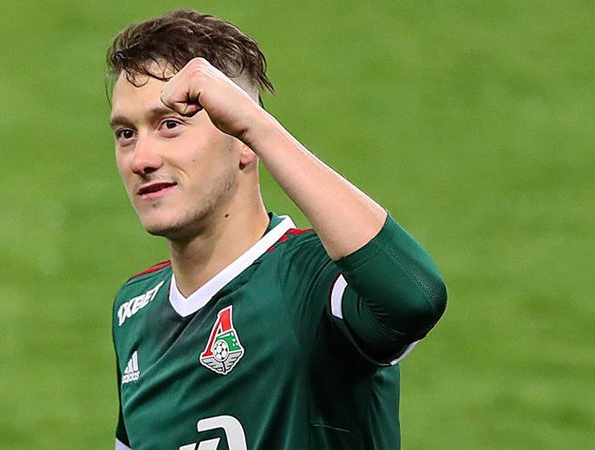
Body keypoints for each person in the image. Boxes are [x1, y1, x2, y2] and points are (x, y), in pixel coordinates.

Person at [107, 9, 446, 450]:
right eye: (126, 134)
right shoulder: (134, 310)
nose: (141, 159)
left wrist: (258, 127)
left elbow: (415, 297)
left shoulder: (311, 279)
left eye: (170, 125)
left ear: (241, 139)